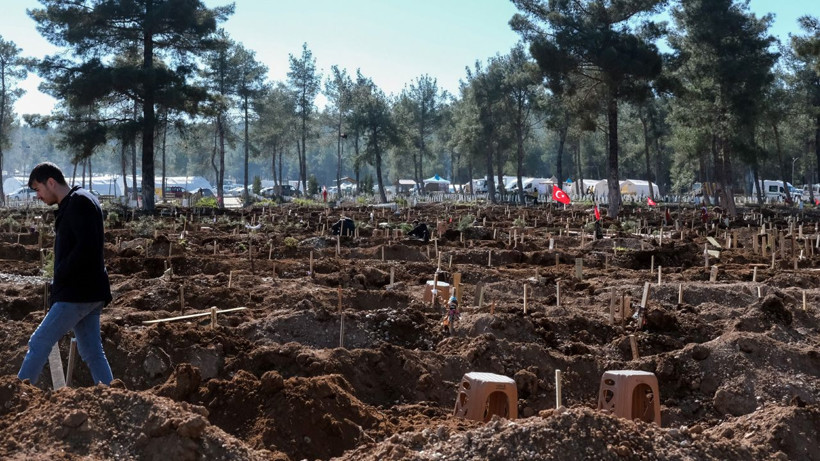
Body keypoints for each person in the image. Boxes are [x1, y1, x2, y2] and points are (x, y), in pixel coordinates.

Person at [18, 162, 114, 386]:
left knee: (40, 341)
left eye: (38, 189)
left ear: (51, 182)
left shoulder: (79, 202)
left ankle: (15, 396)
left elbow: (86, 247)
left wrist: (61, 272)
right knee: (91, 351)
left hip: (77, 293)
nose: (38, 196)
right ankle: (112, 395)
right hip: (90, 291)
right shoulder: (79, 200)